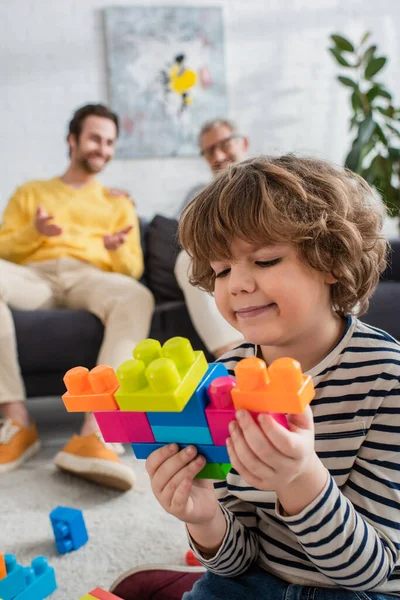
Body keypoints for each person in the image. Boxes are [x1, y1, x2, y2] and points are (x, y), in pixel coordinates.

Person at [114, 155, 400, 599]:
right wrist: (205, 518)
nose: (237, 285)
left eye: (265, 260)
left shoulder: (387, 379)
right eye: (222, 269)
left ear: (330, 259)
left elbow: (372, 571)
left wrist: (300, 477)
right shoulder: (225, 379)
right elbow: (238, 560)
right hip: (252, 582)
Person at [0, 104, 155, 491]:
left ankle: (97, 430)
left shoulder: (118, 203)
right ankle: (17, 420)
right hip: (34, 276)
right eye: (94, 138)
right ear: (72, 140)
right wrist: (35, 232)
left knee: (136, 296)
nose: (102, 148)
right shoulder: (32, 192)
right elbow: (5, 250)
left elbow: (132, 269)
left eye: (109, 142)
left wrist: (116, 248)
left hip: (90, 277)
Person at [174, 119, 249, 358]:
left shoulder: (273, 181)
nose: (218, 155)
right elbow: (187, 237)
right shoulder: (197, 196)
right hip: (217, 253)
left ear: (243, 143)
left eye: (224, 144)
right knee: (186, 260)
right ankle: (236, 358)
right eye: (209, 151)